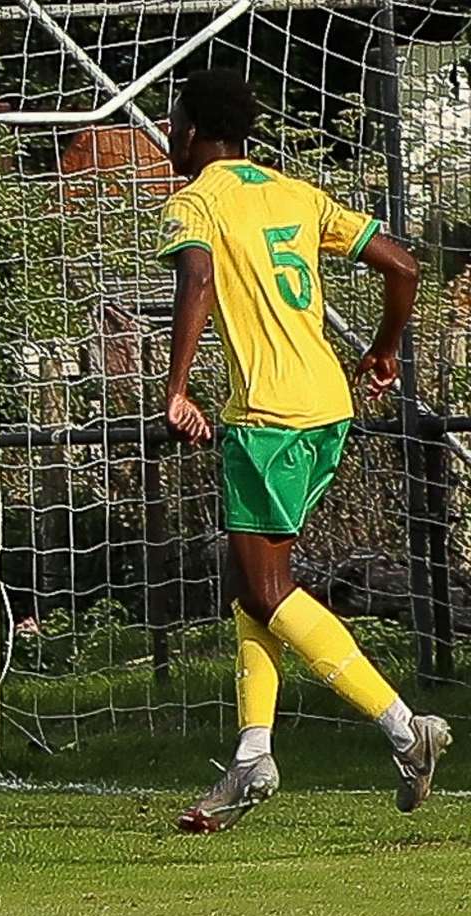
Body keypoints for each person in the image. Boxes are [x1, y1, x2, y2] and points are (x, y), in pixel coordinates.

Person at [157, 68, 449, 832]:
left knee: (267, 589)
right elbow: (405, 264)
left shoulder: (195, 202)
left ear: (194, 131)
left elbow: (197, 281)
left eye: (172, 117)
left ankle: (402, 726)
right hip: (326, 410)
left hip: (267, 415)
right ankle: (253, 750)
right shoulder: (293, 192)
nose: (166, 131)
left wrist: (177, 386)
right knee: (255, 581)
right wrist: (385, 349)